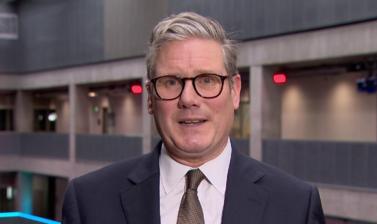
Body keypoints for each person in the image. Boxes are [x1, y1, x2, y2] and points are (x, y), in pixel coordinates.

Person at [62, 12, 325, 224]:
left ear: (235, 91)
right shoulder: (89, 201)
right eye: (171, 82)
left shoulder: (296, 205)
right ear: (150, 98)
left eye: (207, 80)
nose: (188, 98)